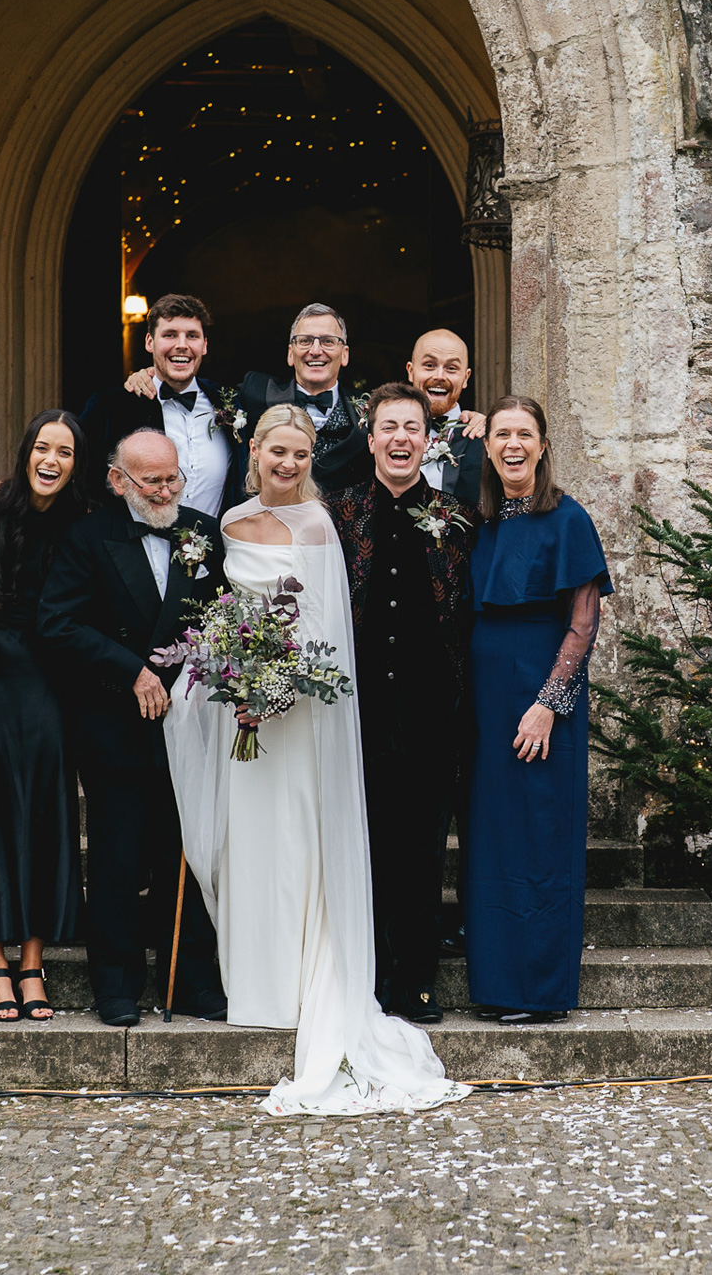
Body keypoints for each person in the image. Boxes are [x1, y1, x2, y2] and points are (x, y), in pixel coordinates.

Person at [163, 404, 469, 1116]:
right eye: (278, 452)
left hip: (300, 717)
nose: (289, 464)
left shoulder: (321, 526)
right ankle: (255, 983)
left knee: (300, 839)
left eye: (301, 454)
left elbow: (332, 632)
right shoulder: (229, 525)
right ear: (257, 453)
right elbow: (213, 619)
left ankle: (305, 983)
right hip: (244, 715)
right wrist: (230, 677)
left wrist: (283, 686)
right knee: (250, 840)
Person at [35, 429, 228, 1026]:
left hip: (189, 723)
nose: (168, 490)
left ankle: (188, 979)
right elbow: (56, 623)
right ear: (119, 481)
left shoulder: (201, 531)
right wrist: (132, 670)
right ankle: (115, 986)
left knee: (187, 852)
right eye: (154, 480)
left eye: (174, 478)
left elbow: (224, 613)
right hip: (114, 723)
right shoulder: (87, 537)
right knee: (118, 857)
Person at [325, 383, 479, 1024]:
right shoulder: (336, 516)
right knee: (359, 845)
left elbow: (471, 620)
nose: (400, 439)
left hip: (430, 710)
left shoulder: (458, 520)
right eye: (388, 427)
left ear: (428, 438)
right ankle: (363, 974)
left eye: (412, 428)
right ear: (371, 439)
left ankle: (415, 980)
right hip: (351, 713)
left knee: (419, 850)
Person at [462, 397, 613, 1025]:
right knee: (490, 837)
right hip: (484, 694)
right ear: (489, 447)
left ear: (543, 445)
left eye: (525, 434)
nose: (513, 445)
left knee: (539, 834)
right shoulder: (483, 522)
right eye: (502, 435)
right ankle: (495, 984)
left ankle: (538, 989)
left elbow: (583, 621)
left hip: (540, 694)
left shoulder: (568, 518)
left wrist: (548, 705)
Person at [0, 410, 88, 1022]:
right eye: (41, 447)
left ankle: (32, 960)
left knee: (43, 812)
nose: (50, 460)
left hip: (49, 678)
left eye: (64, 451)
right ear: (25, 451)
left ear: (76, 463)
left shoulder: (83, 521)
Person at [84, 293, 246, 516]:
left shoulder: (230, 402)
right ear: (150, 342)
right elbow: (86, 481)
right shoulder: (112, 406)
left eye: (192, 336)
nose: (182, 345)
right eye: (170, 335)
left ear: (205, 345)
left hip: (215, 546)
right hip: (134, 547)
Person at [238, 304, 373, 492]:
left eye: (328, 341)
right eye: (305, 341)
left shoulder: (371, 409)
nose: (316, 350)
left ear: (344, 355)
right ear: (290, 354)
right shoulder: (255, 391)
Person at [407, 328, 486, 503]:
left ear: (466, 378)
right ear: (411, 371)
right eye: (429, 365)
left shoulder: (484, 436)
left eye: (451, 368)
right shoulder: (384, 432)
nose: (439, 376)